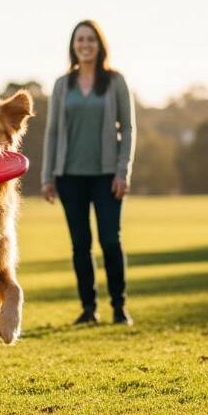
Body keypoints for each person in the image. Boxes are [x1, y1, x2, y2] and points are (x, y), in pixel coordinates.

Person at [40, 19, 136, 325]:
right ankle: (88, 310)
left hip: (107, 176)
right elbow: (53, 132)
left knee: (110, 241)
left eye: (90, 40)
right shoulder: (61, 85)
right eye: (80, 40)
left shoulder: (115, 81)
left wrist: (123, 171)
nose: (85, 45)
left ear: (100, 45)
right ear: (73, 45)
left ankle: (119, 307)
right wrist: (47, 176)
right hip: (69, 176)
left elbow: (129, 129)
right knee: (80, 245)